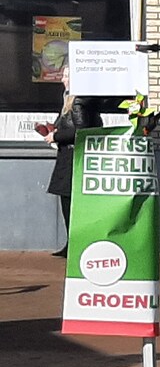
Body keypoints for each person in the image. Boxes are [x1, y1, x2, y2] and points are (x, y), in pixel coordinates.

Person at [45, 66, 103, 259]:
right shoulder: (73, 100)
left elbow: (82, 130)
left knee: (70, 203)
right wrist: (52, 130)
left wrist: (57, 136)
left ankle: (75, 244)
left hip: (72, 159)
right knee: (69, 202)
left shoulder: (77, 102)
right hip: (72, 157)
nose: (63, 79)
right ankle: (72, 243)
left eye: (67, 76)